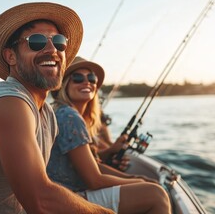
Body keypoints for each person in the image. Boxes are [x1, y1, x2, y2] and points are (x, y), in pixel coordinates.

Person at [0, 2, 114, 213]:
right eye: (37, 42)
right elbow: (40, 200)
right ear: (10, 56)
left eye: (59, 42)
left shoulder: (47, 113)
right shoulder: (9, 102)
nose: (52, 50)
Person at [47, 56, 171, 213]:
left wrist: (133, 179)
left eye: (91, 78)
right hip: (67, 199)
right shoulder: (69, 116)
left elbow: (94, 166)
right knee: (156, 195)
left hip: (65, 195)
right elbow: (94, 180)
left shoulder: (64, 113)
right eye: (77, 78)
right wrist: (137, 181)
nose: (87, 82)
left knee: (149, 187)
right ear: (64, 86)